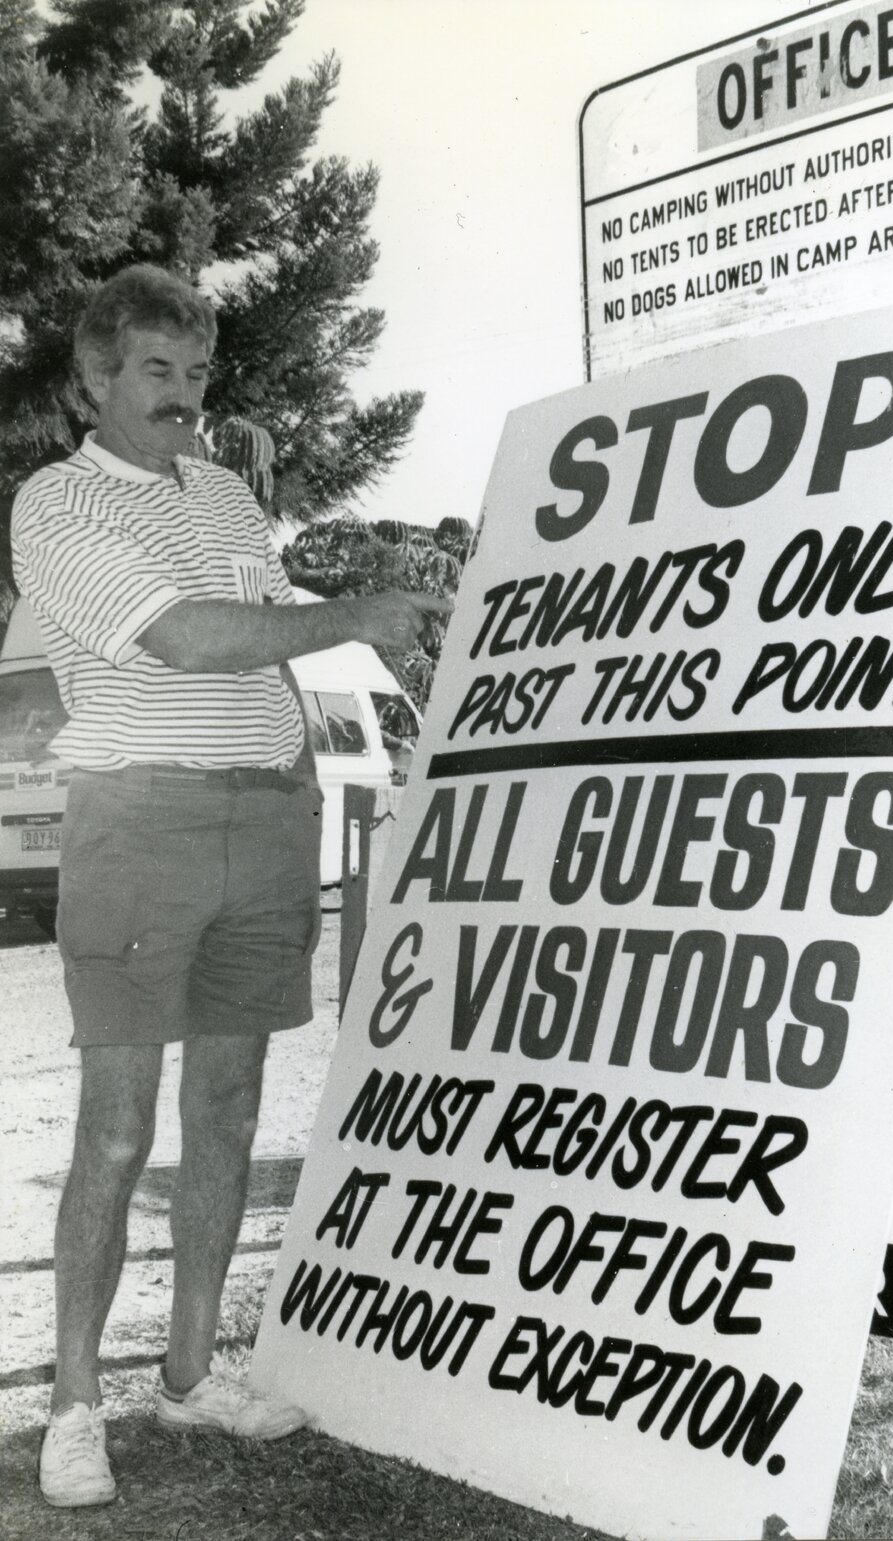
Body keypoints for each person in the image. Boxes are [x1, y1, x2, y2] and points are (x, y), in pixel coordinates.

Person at [11, 264, 451, 1509]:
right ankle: (76, 1402)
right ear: (93, 381)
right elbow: (185, 637)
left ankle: (195, 1371)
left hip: (266, 819)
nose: (185, 398)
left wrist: (378, 612)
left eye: (199, 374)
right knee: (114, 1125)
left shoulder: (223, 498)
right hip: (138, 820)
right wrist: (356, 612)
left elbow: (270, 624)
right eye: (157, 372)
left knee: (227, 1104)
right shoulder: (53, 502)